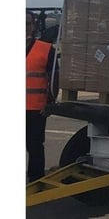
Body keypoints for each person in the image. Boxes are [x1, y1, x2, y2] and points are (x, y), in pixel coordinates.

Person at [27, 11, 58, 183]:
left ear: (34, 26)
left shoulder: (45, 49)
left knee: (34, 145)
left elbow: (54, 77)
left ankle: (36, 178)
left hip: (35, 107)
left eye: (27, 24)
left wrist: (51, 102)